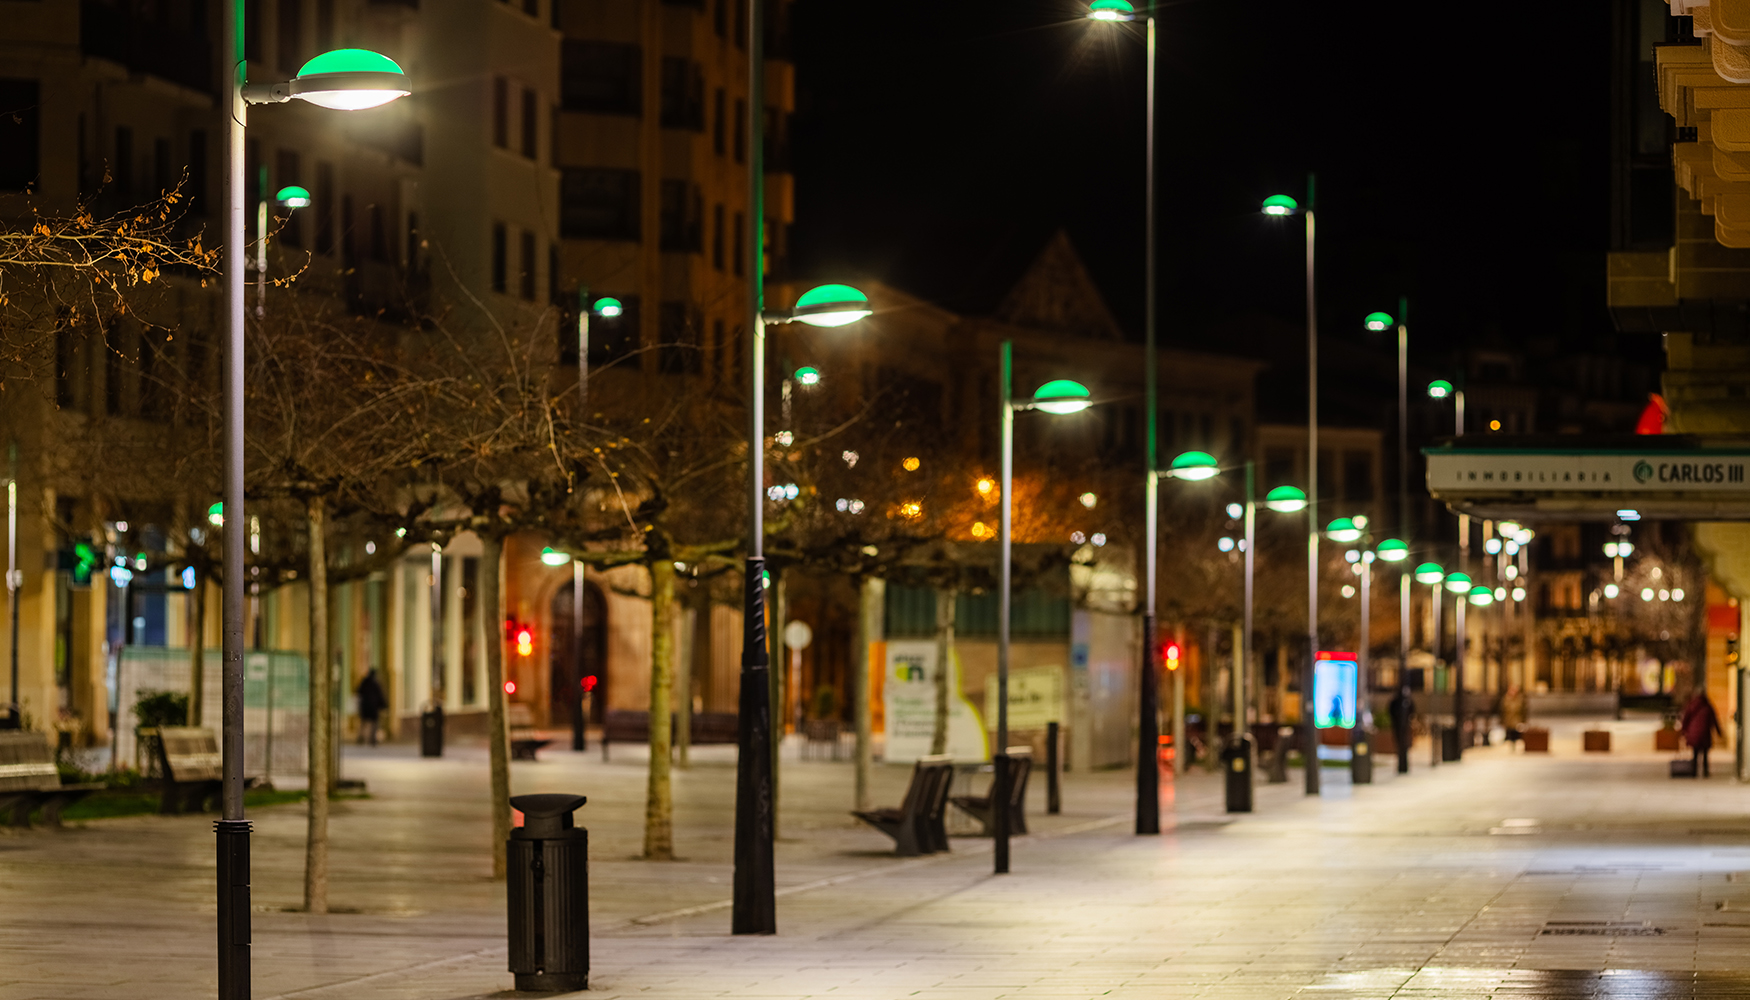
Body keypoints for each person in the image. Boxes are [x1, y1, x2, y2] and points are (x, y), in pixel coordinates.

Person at [1681, 689, 1725, 777]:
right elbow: (1714, 721)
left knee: (1695, 753)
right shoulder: (1708, 706)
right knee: (1705, 754)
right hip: (1704, 733)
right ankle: (1705, 772)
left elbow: (1686, 719)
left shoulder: (1691, 705)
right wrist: (1719, 732)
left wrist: (1683, 731)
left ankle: (1694, 772)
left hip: (1693, 733)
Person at [1387, 685, 1415, 774]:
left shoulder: (1408, 701)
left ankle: (1404, 764)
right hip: (1398, 726)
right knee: (1400, 743)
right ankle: (1401, 763)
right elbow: (1390, 711)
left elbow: (1412, 710)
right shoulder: (1396, 702)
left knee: (1404, 743)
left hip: (1404, 726)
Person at [356, 668, 387, 746]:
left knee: (364, 723)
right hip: (373, 707)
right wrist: (384, 705)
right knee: (374, 724)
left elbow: (359, 691)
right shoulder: (376, 683)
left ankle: (361, 737)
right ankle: (372, 739)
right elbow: (380, 695)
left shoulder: (364, 682)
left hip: (365, 706)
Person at [1499, 683, 1527, 752]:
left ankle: (1515, 745)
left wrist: (1523, 720)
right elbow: (1502, 710)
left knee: (1516, 733)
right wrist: (1502, 721)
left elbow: (1523, 710)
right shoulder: (1506, 699)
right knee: (1509, 733)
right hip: (1508, 720)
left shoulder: (1520, 699)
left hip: (1517, 720)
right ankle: (1510, 745)